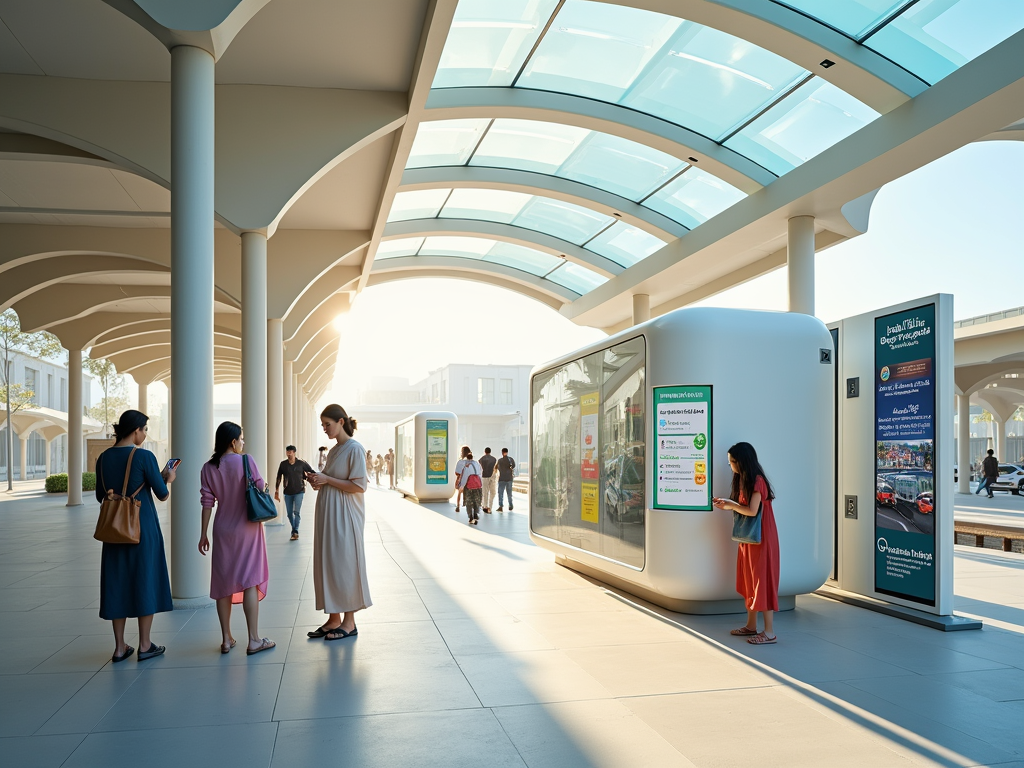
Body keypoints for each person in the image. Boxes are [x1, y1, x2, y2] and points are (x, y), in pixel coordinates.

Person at [96, 409, 175, 663]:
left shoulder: (103, 458)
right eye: (145, 429)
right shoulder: (143, 456)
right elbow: (162, 494)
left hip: (114, 530)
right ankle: (144, 644)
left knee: (117, 583)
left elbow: (101, 495)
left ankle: (120, 648)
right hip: (142, 529)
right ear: (136, 430)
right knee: (145, 580)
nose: (145, 434)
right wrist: (168, 478)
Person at [199, 422, 275, 656]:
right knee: (249, 579)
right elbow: (260, 487)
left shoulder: (208, 467)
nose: (243, 443)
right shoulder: (246, 461)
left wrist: (203, 533)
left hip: (221, 529)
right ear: (233, 441)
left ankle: (225, 639)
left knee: (223, 584)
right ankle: (253, 639)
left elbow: (207, 503)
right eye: (241, 438)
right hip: (247, 528)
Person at [307, 404, 371, 641]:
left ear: (341, 422)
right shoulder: (335, 450)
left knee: (345, 564)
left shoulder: (355, 449)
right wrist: (319, 481)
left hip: (345, 515)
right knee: (330, 563)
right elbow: (332, 479)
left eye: (328, 424)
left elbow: (359, 486)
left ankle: (349, 622)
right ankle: (334, 619)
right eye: (322, 425)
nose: (324, 429)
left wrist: (328, 479)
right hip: (330, 514)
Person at [712, 442, 780, 646]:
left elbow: (751, 510)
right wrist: (728, 504)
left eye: (732, 461)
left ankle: (769, 632)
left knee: (763, 580)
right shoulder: (744, 479)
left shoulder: (757, 481)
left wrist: (729, 504)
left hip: (762, 539)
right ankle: (751, 625)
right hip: (750, 538)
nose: (730, 465)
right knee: (750, 579)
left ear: (741, 461)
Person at [275, 445, 315, 541]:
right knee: (289, 514)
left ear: (294, 452)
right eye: (287, 452)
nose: (289, 453)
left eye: (290, 452)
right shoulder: (283, 464)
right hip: (287, 492)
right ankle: (294, 529)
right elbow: (279, 477)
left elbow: (312, 471)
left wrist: (314, 481)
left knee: (296, 512)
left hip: (299, 491)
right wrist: (276, 490)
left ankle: (295, 531)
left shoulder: (301, 463)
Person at [459, 450, 483, 525]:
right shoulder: (477, 464)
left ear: (467, 458)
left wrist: (462, 486)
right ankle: (476, 513)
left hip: (469, 486)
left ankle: (470, 516)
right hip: (478, 486)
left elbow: (465, 476)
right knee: (477, 501)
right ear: (472, 458)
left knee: (468, 501)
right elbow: (480, 473)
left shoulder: (467, 465)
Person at [495, 448, 516, 512]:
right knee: (509, 493)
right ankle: (510, 505)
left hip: (502, 479)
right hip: (509, 478)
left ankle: (501, 506)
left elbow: (496, 468)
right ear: (507, 452)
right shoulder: (511, 459)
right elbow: (513, 466)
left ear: (502, 452)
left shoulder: (500, 460)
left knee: (500, 493)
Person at [479, 447, 498, 514]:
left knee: (485, 492)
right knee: (492, 492)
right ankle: (490, 506)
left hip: (484, 477)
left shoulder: (481, 459)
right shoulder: (494, 459)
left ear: (485, 452)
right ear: (490, 452)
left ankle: (485, 506)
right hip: (492, 476)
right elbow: (495, 468)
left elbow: (480, 468)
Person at [453, 445, 471, 512]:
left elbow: (456, 472)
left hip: (461, 480)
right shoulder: (472, 462)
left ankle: (458, 506)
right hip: (470, 480)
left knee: (459, 493)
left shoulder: (460, 462)